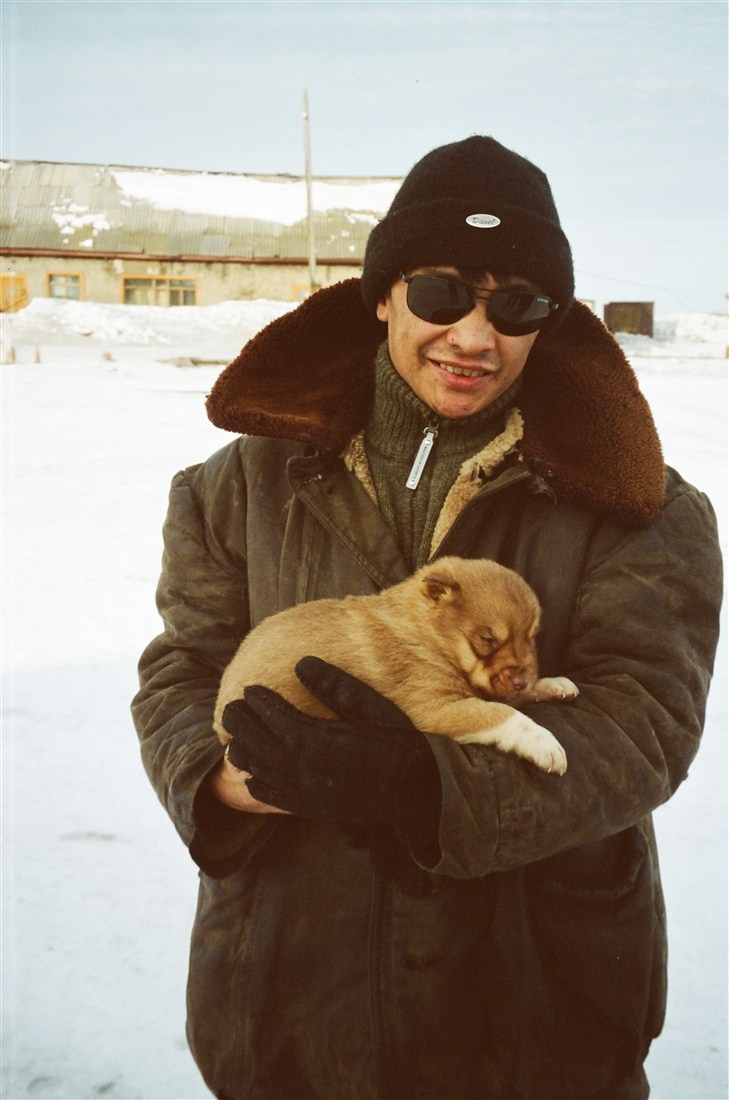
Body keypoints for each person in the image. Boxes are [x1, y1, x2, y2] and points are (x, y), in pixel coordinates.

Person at [132, 136, 722, 1100]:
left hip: (531, 1018)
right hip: (289, 996)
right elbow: (181, 668)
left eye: (517, 305)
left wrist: (431, 784)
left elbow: (644, 723)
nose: (474, 337)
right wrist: (219, 779)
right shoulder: (235, 486)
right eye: (442, 293)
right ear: (383, 296)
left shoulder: (636, 505)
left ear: (549, 321)